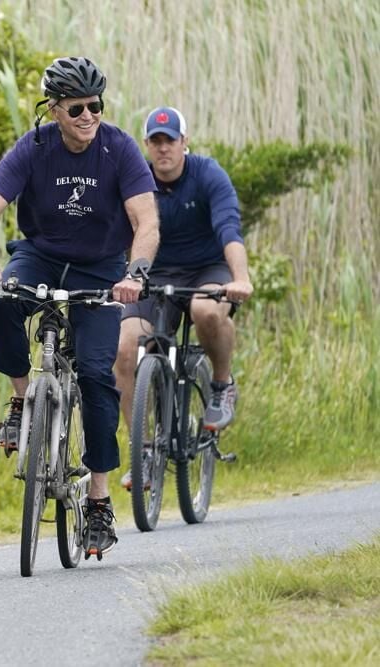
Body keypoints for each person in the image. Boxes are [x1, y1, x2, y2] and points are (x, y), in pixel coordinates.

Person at [0, 57, 160, 559]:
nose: (89, 116)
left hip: (101, 268)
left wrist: (134, 273)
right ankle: (20, 400)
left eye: (96, 105)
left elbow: (146, 221)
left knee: (97, 376)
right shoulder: (33, 149)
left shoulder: (119, 149)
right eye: (77, 108)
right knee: (2, 301)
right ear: (53, 109)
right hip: (42, 255)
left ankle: (97, 501)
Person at [115, 106, 253, 491]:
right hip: (154, 275)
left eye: (170, 140)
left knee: (206, 311)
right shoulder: (137, 181)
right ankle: (142, 450)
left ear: (184, 142)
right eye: (155, 142)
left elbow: (229, 229)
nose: (163, 149)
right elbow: (118, 235)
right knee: (126, 348)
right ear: (146, 145)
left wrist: (240, 278)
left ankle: (222, 385)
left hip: (207, 270)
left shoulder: (208, 174)